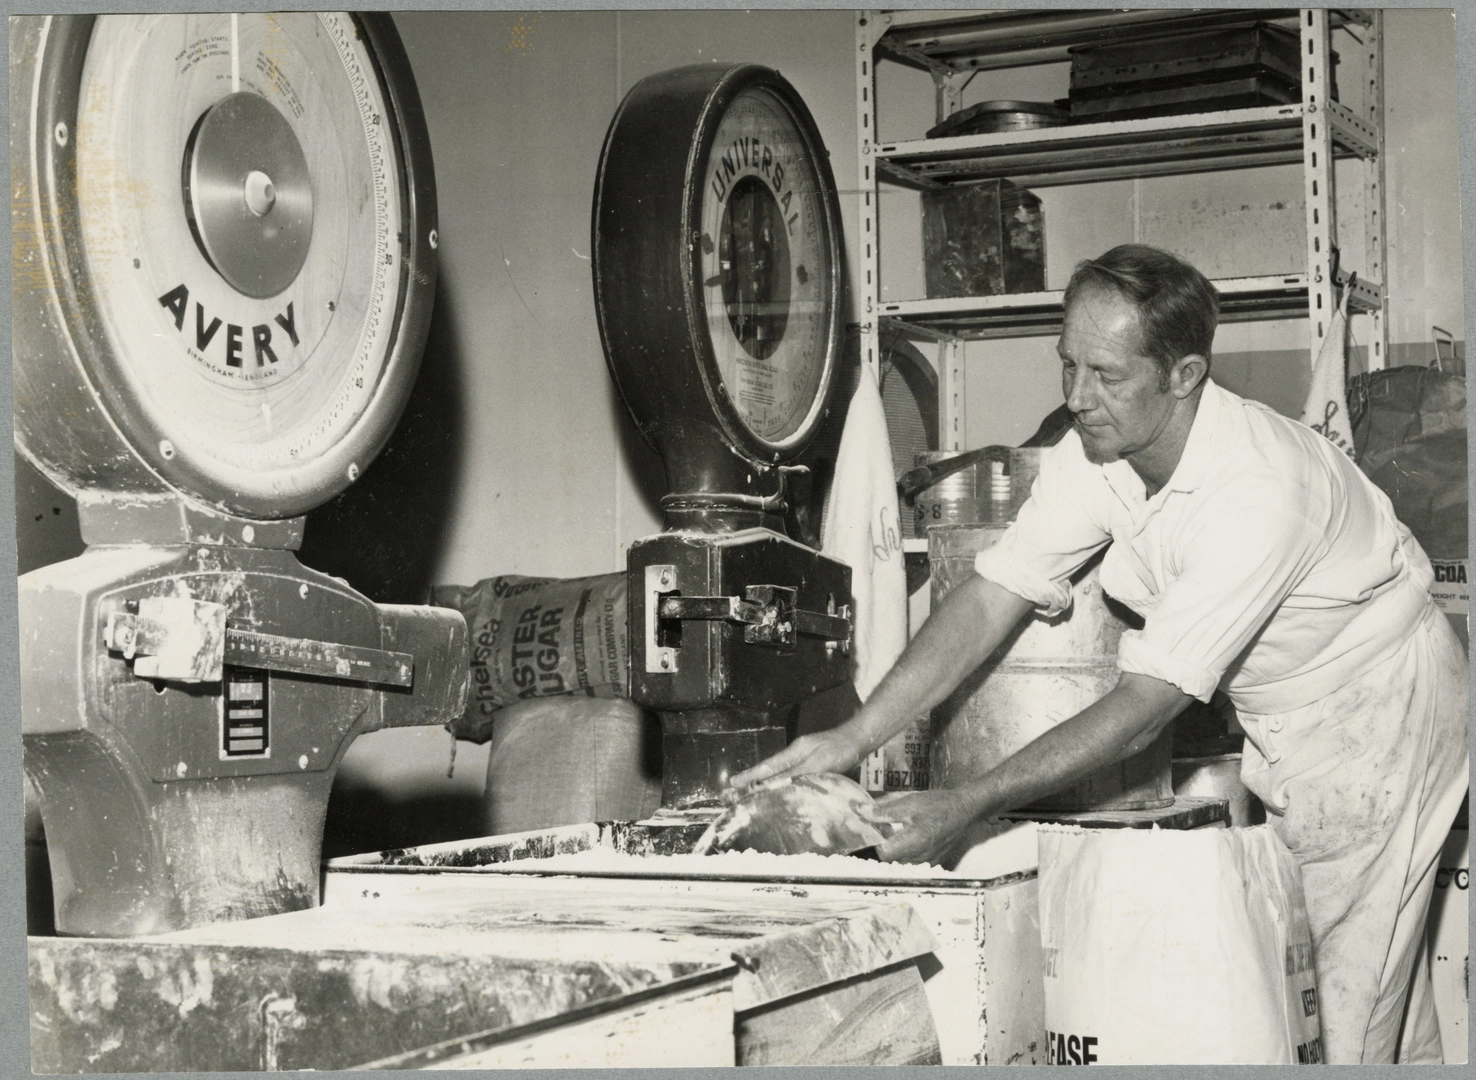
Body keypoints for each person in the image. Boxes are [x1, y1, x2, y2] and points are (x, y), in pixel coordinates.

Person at [730, 244, 1468, 1064]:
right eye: (1067, 365)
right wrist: (851, 738)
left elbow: (1144, 708)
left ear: (1184, 375)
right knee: (1376, 999)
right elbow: (991, 594)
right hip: (1290, 712)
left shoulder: (1257, 492)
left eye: (1106, 375)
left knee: (1336, 1003)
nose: (1078, 398)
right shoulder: (1099, 451)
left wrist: (966, 803)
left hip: (1382, 705)